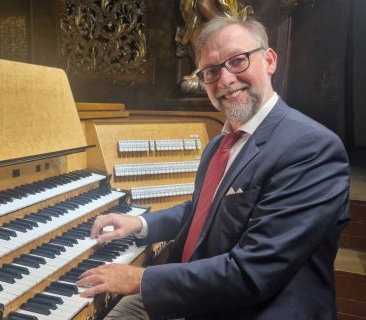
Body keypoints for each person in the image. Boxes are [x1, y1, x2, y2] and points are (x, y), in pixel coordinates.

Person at [76, 16, 350, 320]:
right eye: (212, 71)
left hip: (253, 308)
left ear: (269, 60)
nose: (225, 80)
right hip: (200, 294)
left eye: (237, 61)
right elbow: (203, 212)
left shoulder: (311, 148)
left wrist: (139, 278)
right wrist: (141, 225)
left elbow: (252, 272)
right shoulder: (220, 145)